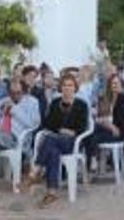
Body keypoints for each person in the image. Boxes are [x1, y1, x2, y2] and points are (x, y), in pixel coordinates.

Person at [28, 74, 89, 208]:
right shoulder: (56, 103)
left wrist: (71, 132)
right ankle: (52, 191)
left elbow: (82, 127)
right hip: (56, 140)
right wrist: (61, 129)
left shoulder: (81, 105)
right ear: (61, 88)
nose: (67, 88)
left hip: (72, 142)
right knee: (52, 151)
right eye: (64, 85)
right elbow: (48, 124)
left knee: (48, 139)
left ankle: (36, 170)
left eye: (70, 85)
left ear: (75, 88)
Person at [0, 77, 42, 199]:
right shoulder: (3, 101)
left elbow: (33, 124)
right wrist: (0, 112)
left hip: (17, 139)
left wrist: (15, 110)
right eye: (12, 93)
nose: (15, 96)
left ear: (25, 91)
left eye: (18, 93)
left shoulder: (32, 102)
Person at [84, 73, 124, 163]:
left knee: (93, 136)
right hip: (106, 128)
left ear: (121, 85)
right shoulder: (104, 99)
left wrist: (106, 123)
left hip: (118, 131)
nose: (115, 85)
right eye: (113, 83)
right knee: (89, 133)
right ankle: (92, 160)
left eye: (117, 83)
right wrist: (107, 124)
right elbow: (98, 118)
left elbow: (121, 118)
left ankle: (92, 161)